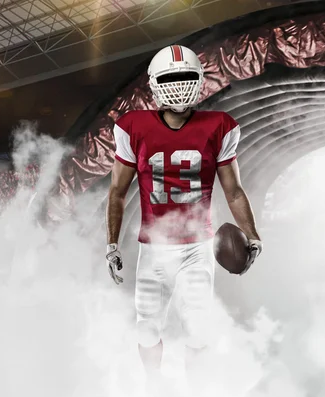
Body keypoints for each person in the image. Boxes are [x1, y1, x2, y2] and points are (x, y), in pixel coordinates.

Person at [105, 44, 262, 393]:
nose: (179, 85)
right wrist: (111, 243)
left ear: (201, 80)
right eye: (171, 78)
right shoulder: (134, 127)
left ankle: (198, 387)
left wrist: (253, 235)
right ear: (154, 83)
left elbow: (233, 190)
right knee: (146, 328)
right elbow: (117, 191)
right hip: (154, 248)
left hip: (197, 247)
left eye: (187, 76)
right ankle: (153, 383)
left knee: (199, 329)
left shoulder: (218, 126)